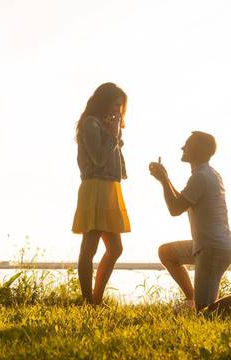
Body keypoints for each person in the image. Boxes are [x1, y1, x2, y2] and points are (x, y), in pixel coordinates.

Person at [149, 131, 231, 314]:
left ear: (198, 150)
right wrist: (166, 180)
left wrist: (164, 181)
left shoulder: (201, 177)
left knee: (206, 312)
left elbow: (175, 209)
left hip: (213, 249)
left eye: (187, 144)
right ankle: (191, 300)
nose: (182, 147)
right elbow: (183, 201)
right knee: (166, 252)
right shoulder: (206, 174)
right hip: (207, 245)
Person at [72, 82, 130, 305]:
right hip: (95, 186)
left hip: (108, 186)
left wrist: (113, 134)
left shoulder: (103, 125)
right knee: (90, 245)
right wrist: (113, 134)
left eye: (120, 107)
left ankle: (95, 300)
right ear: (104, 102)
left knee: (115, 248)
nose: (117, 110)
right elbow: (99, 158)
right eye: (115, 104)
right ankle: (89, 301)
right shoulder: (90, 124)